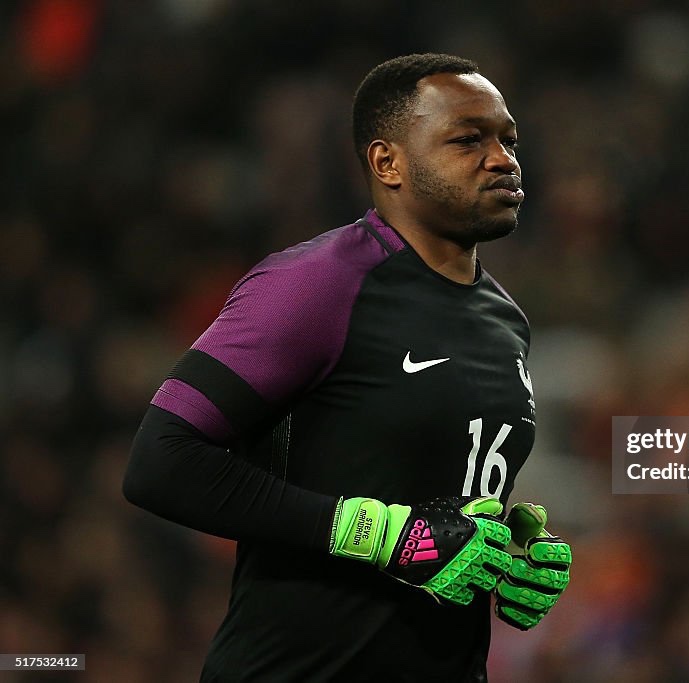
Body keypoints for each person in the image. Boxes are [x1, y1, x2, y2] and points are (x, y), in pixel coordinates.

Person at [122, 53, 571, 682]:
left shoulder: (507, 322)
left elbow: (436, 506)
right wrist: (379, 536)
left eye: (507, 139)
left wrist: (511, 557)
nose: (503, 159)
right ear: (387, 162)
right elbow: (160, 461)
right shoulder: (316, 284)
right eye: (468, 140)